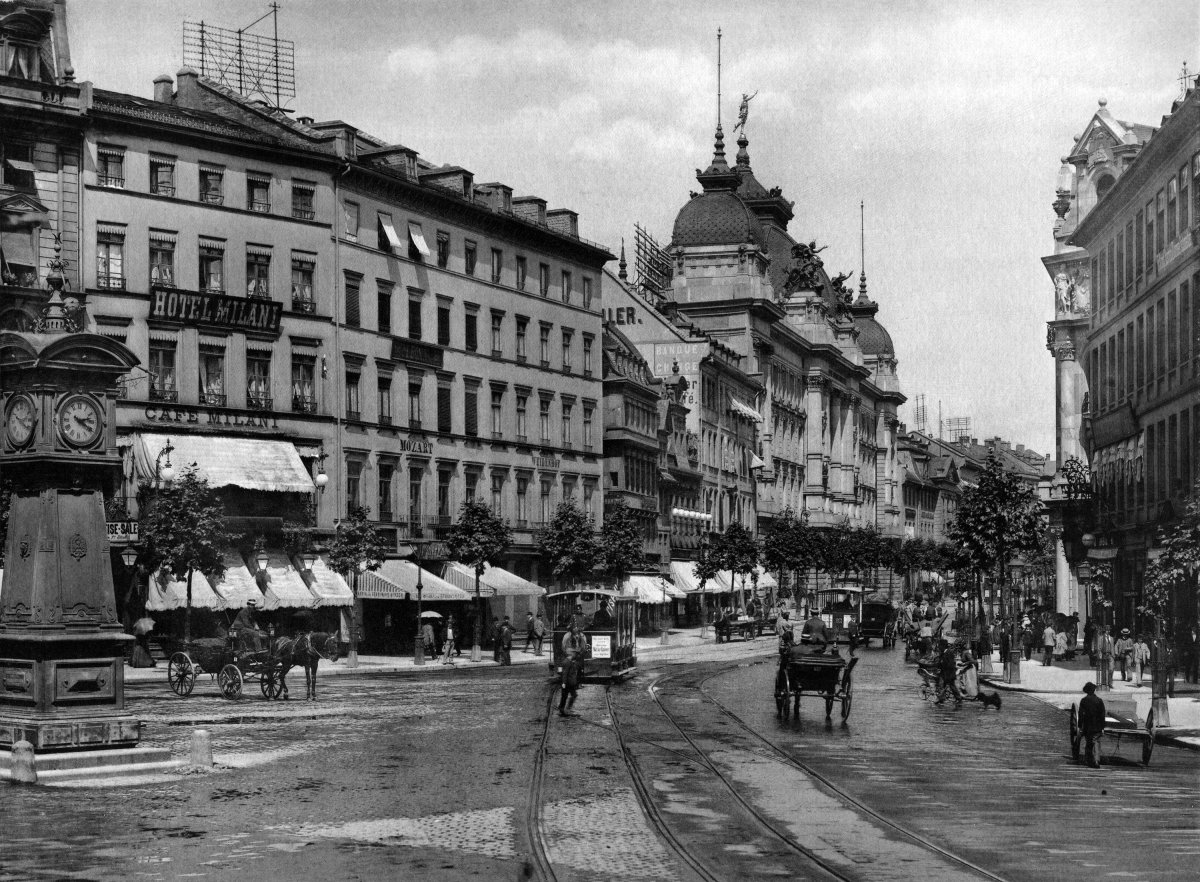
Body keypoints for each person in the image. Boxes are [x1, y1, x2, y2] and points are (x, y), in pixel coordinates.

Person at [559, 624, 586, 717]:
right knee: (569, 694)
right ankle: (565, 709)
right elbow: (565, 672)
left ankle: (562, 708)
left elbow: (583, 647)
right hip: (568, 681)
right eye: (574, 628)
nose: (576, 629)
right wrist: (563, 682)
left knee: (565, 694)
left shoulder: (581, 636)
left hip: (570, 676)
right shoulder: (567, 637)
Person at [1078, 682, 1106, 768]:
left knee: (1089, 742)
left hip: (1088, 726)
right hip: (1097, 726)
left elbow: (1081, 715)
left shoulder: (1084, 701)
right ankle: (1096, 760)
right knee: (1096, 742)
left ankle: (1088, 759)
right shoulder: (1099, 700)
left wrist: (1080, 726)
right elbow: (1102, 715)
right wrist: (1102, 727)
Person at [936, 639, 963, 706]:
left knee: (952, 686)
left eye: (940, 646)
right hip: (945, 673)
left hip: (949, 673)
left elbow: (951, 664)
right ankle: (941, 699)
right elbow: (940, 662)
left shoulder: (949, 653)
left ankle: (959, 699)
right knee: (943, 686)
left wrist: (943, 665)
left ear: (943, 646)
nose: (939, 647)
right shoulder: (943, 653)